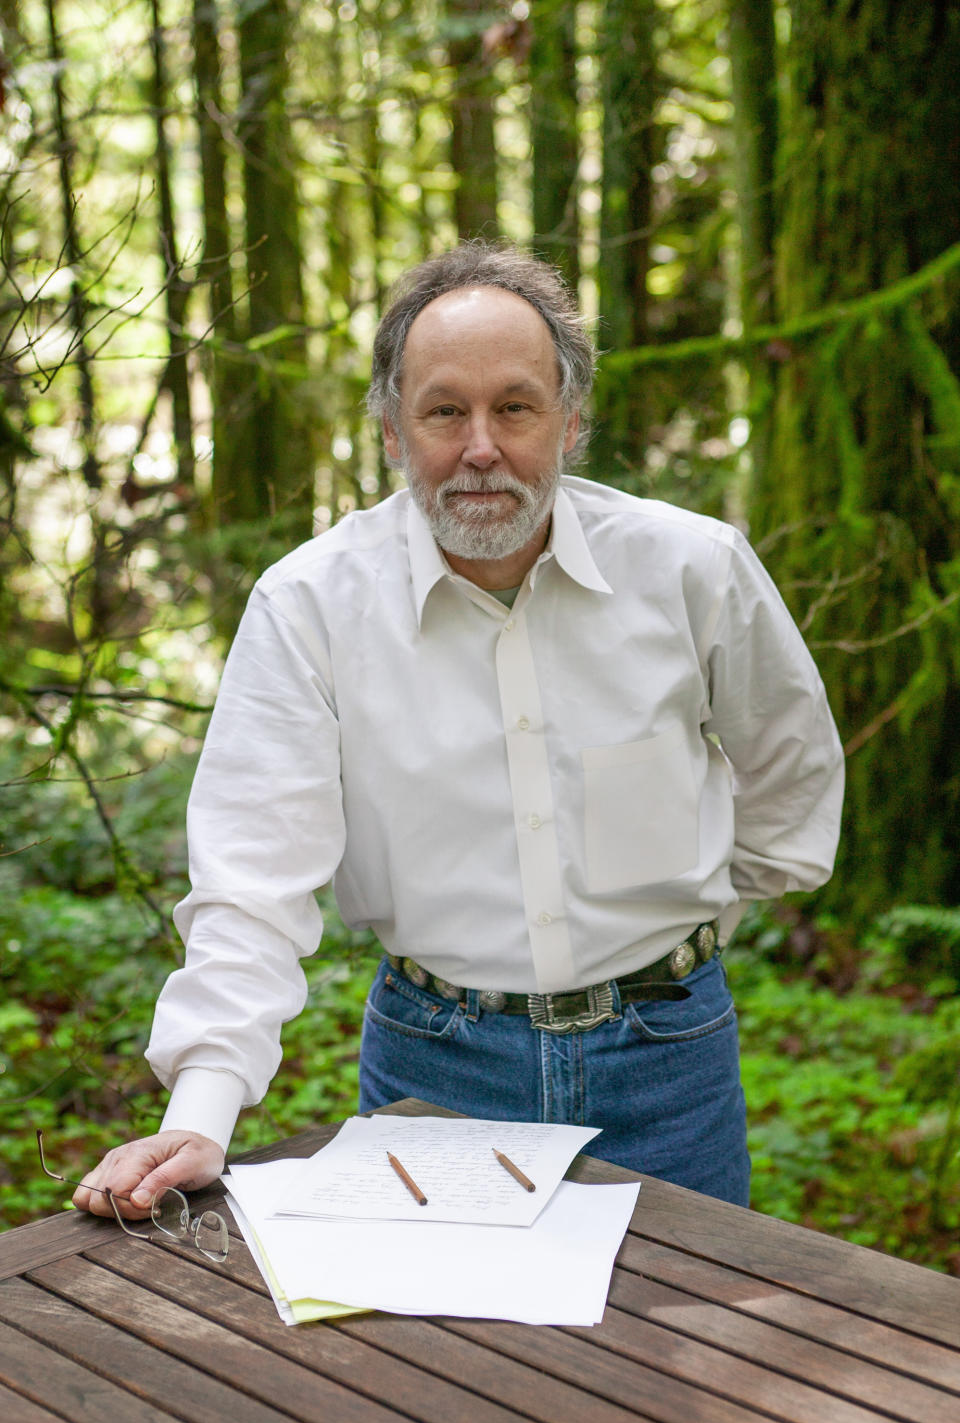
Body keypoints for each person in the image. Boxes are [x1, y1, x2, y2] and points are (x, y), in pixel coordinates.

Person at [75, 242, 844, 1217]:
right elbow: (251, 878)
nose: (481, 447)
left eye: (514, 407)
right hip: (437, 1073)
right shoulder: (310, 606)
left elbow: (792, 767)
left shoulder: (691, 570)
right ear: (395, 432)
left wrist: (698, 924)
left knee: (681, 1356)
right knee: (437, 1368)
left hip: (671, 1066)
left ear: (570, 422)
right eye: (445, 411)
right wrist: (202, 1111)